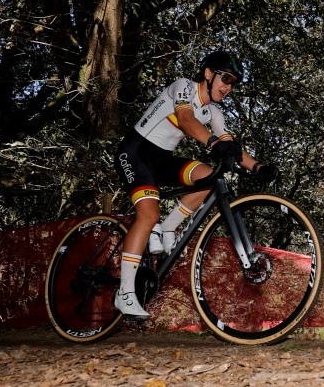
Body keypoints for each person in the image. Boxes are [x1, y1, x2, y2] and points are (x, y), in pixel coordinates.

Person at [113, 51, 278, 318]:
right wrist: (213, 143)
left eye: (233, 83)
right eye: (225, 78)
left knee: (207, 179)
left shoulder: (213, 112)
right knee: (148, 213)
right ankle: (125, 293)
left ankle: (165, 230)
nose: (228, 87)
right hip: (136, 152)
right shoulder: (183, 87)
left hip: (163, 160)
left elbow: (232, 146)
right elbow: (186, 120)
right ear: (209, 74)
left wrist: (258, 167)